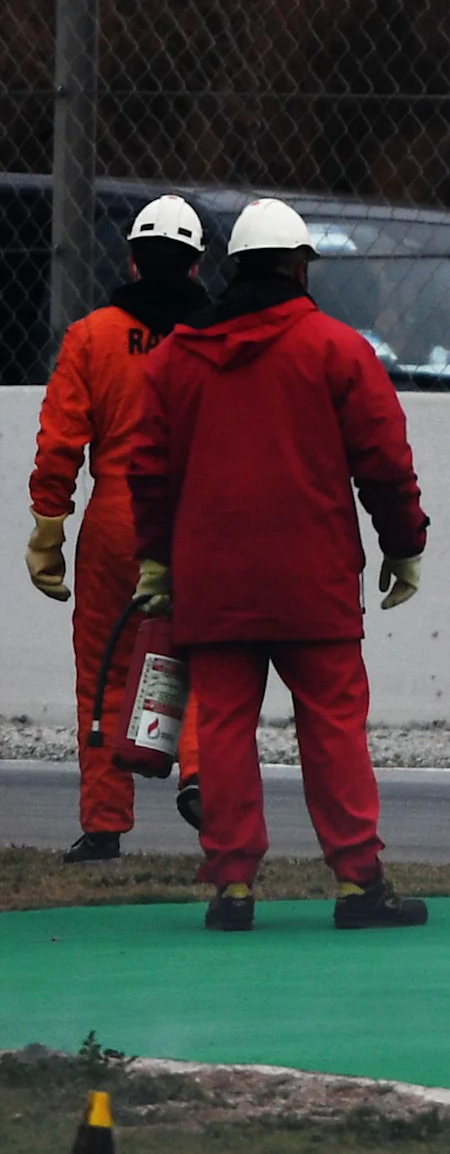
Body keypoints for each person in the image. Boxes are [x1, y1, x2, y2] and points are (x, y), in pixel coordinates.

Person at [128, 199, 429, 932]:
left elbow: (146, 469)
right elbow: (383, 461)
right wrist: (403, 542)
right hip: (311, 576)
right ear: (300, 268)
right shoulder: (335, 348)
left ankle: (232, 887)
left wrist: (156, 559)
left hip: (214, 577)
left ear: (232, 269)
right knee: (331, 724)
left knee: (225, 726)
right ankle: (360, 883)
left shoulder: (175, 358)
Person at [27, 198, 213, 863]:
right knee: (200, 661)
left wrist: (49, 525)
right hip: (196, 518)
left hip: (115, 516)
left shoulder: (92, 335)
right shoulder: (220, 336)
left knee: (103, 676)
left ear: (131, 259)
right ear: (197, 266)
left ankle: (105, 827)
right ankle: (200, 776)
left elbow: (59, 442)